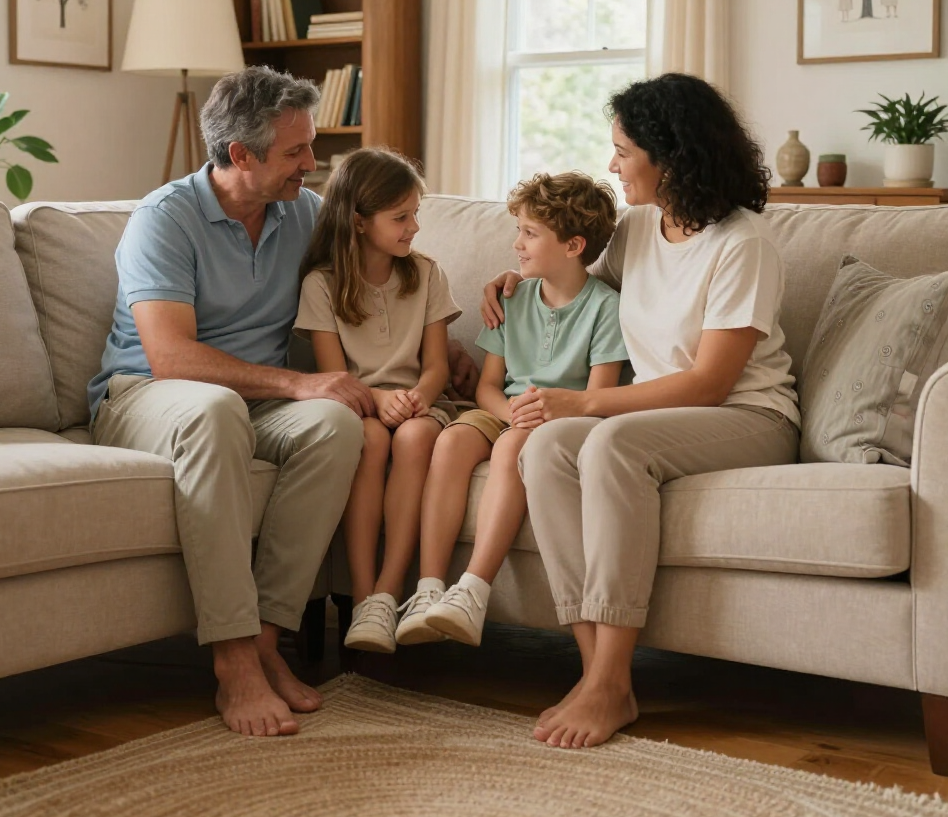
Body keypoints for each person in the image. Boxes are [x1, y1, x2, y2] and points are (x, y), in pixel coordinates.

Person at [481, 73, 800, 750]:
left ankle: (609, 679)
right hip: (656, 417)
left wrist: (589, 401)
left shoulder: (742, 244)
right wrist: (521, 279)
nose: (612, 165)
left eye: (624, 150)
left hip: (749, 418)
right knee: (545, 447)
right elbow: (576, 287)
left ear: (672, 155)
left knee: (607, 444)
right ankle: (599, 669)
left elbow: (711, 382)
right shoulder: (635, 230)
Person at [88, 66, 375, 739]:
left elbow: (383, 274)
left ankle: (270, 639)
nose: (313, 163)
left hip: (250, 398)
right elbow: (171, 358)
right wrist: (298, 383)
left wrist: (490, 302)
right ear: (240, 155)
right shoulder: (166, 218)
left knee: (336, 424)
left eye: (310, 146)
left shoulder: (301, 210)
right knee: (218, 408)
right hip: (145, 396)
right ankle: (233, 658)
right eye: (296, 152)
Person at [396, 172, 628, 649]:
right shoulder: (511, 297)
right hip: (505, 410)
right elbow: (486, 386)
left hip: (562, 420)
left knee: (514, 448)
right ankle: (429, 589)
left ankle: (473, 590)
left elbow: (598, 395)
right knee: (453, 439)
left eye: (529, 232)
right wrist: (506, 412)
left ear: (573, 245)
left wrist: (529, 420)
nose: (516, 243)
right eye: (518, 229)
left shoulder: (606, 308)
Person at [294, 148, 461, 654]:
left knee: (414, 438)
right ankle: (363, 597)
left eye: (415, 215)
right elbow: (333, 373)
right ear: (359, 222)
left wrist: (416, 398)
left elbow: (436, 367)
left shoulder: (426, 273)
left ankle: (387, 594)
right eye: (401, 217)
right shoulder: (321, 285)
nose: (413, 227)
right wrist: (374, 397)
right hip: (354, 403)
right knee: (365, 438)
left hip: (419, 405)